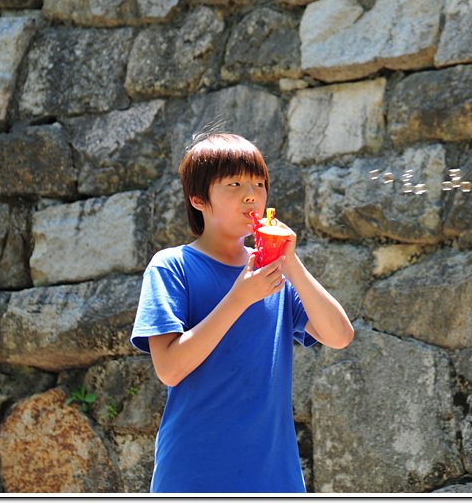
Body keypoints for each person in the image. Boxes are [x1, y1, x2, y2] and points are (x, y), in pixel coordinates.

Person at [130, 131, 355, 493]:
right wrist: (239, 298)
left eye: (259, 184)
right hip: (194, 475)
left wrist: (290, 262)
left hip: (274, 476)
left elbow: (340, 336)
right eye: (234, 184)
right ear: (198, 199)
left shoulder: (274, 273)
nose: (252, 195)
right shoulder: (172, 266)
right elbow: (169, 369)